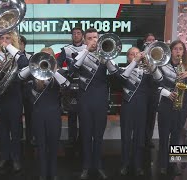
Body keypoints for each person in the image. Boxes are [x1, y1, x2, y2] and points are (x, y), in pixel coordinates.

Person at [68, 28, 119, 180]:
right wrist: (86, 51)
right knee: (85, 135)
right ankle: (85, 167)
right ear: (84, 40)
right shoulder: (78, 55)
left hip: (101, 100)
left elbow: (116, 75)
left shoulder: (106, 53)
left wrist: (107, 57)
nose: (93, 41)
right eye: (89, 38)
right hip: (85, 101)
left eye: (95, 38)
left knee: (98, 136)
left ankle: (98, 166)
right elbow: (72, 71)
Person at [18, 47, 70, 180]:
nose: (46, 60)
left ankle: (53, 173)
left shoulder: (60, 72)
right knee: (41, 145)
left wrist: (54, 70)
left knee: (53, 145)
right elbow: (19, 77)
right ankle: (42, 173)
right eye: (43, 57)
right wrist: (32, 65)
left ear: (54, 59)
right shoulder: (33, 74)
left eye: (49, 57)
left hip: (54, 114)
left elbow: (67, 85)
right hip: (37, 114)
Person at [157, 40, 187, 175]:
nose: (178, 52)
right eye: (176, 49)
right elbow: (155, 85)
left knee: (177, 137)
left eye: (181, 49)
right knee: (164, 137)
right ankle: (162, 165)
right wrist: (167, 93)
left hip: (181, 106)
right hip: (166, 105)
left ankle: (174, 164)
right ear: (171, 51)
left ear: (184, 52)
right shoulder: (162, 65)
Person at [0, 31, 29, 172]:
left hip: (15, 97)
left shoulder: (17, 55)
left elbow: (24, 63)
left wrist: (9, 47)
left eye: (7, 38)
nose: (4, 41)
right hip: (1, 98)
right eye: (2, 38)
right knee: (2, 130)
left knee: (15, 131)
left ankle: (16, 158)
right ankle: (5, 157)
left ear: (13, 40)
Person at [116, 47, 163, 176]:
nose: (135, 55)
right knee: (126, 137)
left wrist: (151, 64)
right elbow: (122, 78)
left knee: (139, 138)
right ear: (128, 57)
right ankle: (124, 164)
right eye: (132, 54)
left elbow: (160, 80)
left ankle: (137, 165)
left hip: (142, 108)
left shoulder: (147, 72)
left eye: (137, 54)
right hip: (127, 107)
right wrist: (135, 62)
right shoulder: (124, 69)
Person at [57, 27, 86, 146]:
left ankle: (83, 139)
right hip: (71, 85)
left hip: (85, 85)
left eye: (78, 33)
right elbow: (57, 65)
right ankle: (72, 138)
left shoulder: (87, 48)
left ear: (82, 35)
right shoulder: (66, 49)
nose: (76, 35)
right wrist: (65, 72)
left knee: (84, 114)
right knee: (72, 114)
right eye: (74, 33)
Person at [141, 33, 159, 149]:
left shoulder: (158, 51)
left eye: (153, 40)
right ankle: (140, 138)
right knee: (142, 116)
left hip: (154, 89)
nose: (151, 42)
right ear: (145, 41)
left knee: (151, 116)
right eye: (149, 40)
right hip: (143, 88)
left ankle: (148, 139)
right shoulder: (140, 52)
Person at [19, 35, 34, 145]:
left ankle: (30, 138)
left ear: (24, 45)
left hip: (28, 90)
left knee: (30, 115)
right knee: (17, 116)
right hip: (16, 90)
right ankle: (19, 139)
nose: (19, 46)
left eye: (21, 43)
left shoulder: (30, 57)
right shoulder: (11, 57)